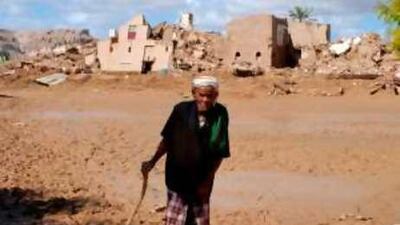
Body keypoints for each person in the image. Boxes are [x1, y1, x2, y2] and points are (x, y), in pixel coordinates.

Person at [141, 75, 230, 225]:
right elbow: (167, 140)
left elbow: (219, 151)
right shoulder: (181, 111)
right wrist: (152, 162)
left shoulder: (220, 114)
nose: (206, 100)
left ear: (216, 96)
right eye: (202, 95)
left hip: (202, 179)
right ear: (194, 93)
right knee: (176, 219)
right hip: (177, 177)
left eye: (210, 96)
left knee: (198, 220)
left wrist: (207, 181)